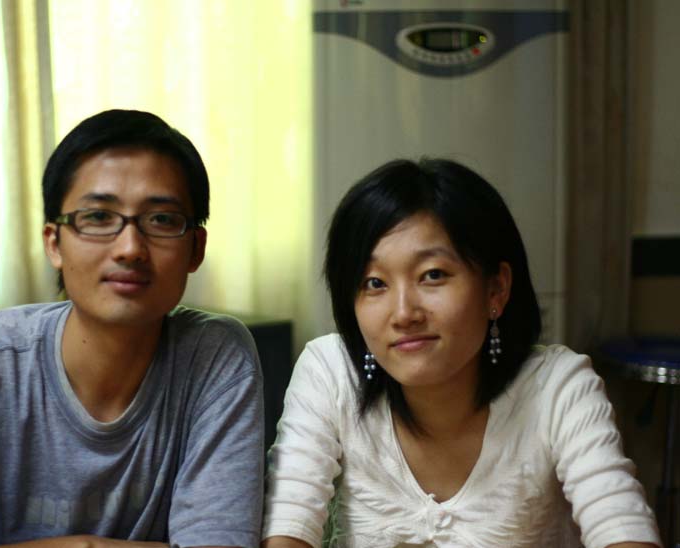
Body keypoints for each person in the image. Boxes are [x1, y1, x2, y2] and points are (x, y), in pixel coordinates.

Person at [0, 109, 265, 548]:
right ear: (54, 243)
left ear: (195, 249)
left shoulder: (215, 357)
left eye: (162, 220)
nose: (130, 248)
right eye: (99, 217)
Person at [261, 159, 661, 548]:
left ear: (496, 289)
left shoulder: (557, 386)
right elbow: (288, 530)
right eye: (375, 283)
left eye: (432, 275)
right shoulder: (329, 372)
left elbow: (621, 528)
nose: (404, 313)